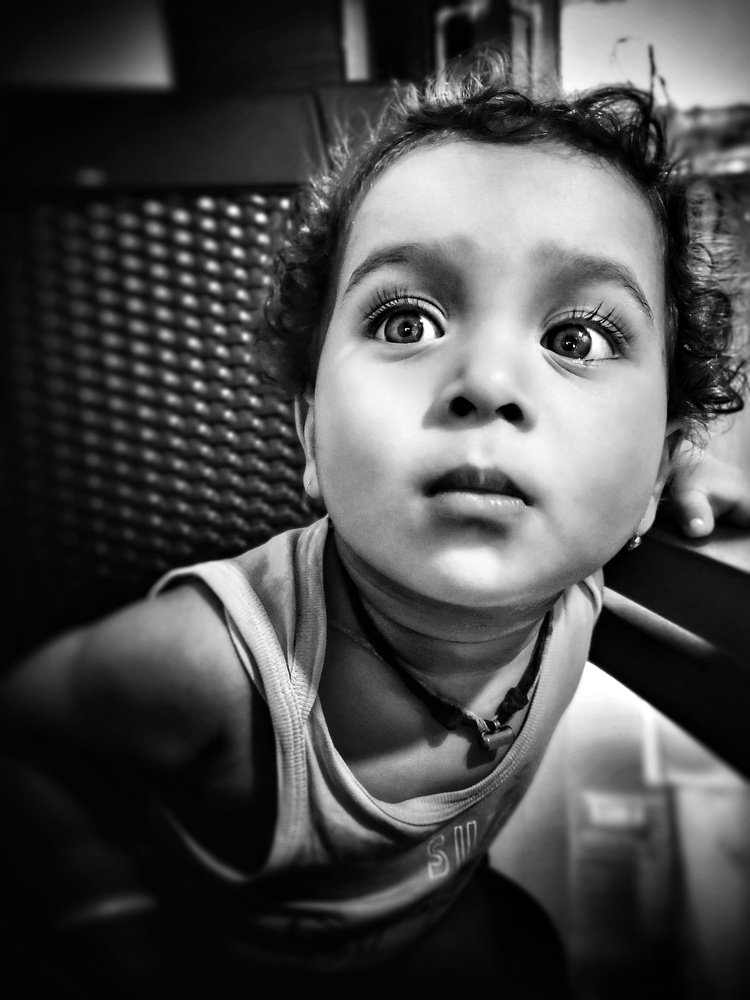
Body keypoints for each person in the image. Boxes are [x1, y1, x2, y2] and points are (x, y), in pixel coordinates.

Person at [1, 50, 748, 1000]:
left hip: (437, 920)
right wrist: (108, 923)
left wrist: (673, 469)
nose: (488, 383)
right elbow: (25, 739)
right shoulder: (214, 666)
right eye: (407, 322)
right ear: (311, 433)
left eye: (576, 338)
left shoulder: (579, 586)